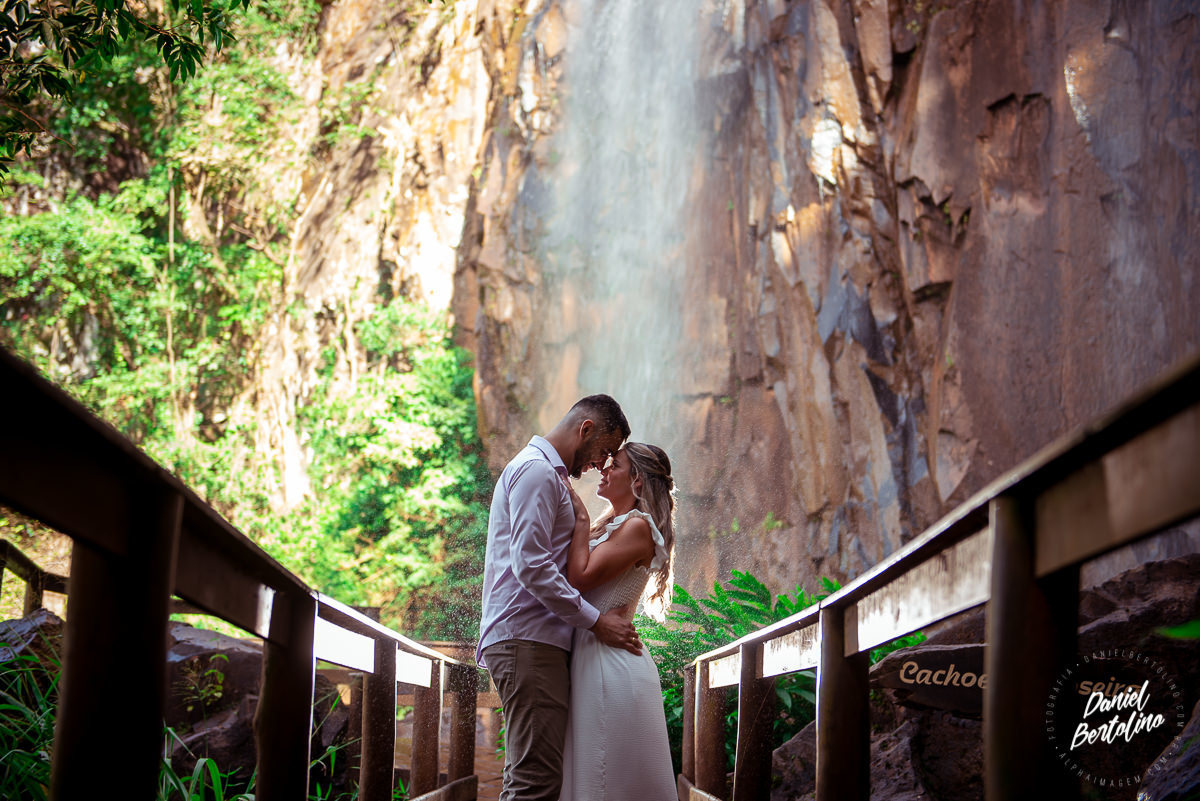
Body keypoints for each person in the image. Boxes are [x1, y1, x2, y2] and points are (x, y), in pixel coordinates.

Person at [477, 395, 643, 801]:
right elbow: (530, 564)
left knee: (532, 776)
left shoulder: (547, 475)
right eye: (604, 451)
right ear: (585, 429)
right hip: (527, 639)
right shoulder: (537, 472)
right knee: (536, 782)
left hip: (532, 641)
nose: (600, 464)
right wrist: (595, 621)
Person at [558, 442, 679, 801]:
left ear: (637, 479)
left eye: (616, 466)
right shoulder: (613, 524)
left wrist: (580, 517)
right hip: (595, 656)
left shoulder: (639, 527)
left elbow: (580, 577)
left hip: (610, 666)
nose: (604, 470)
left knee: (608, 779)